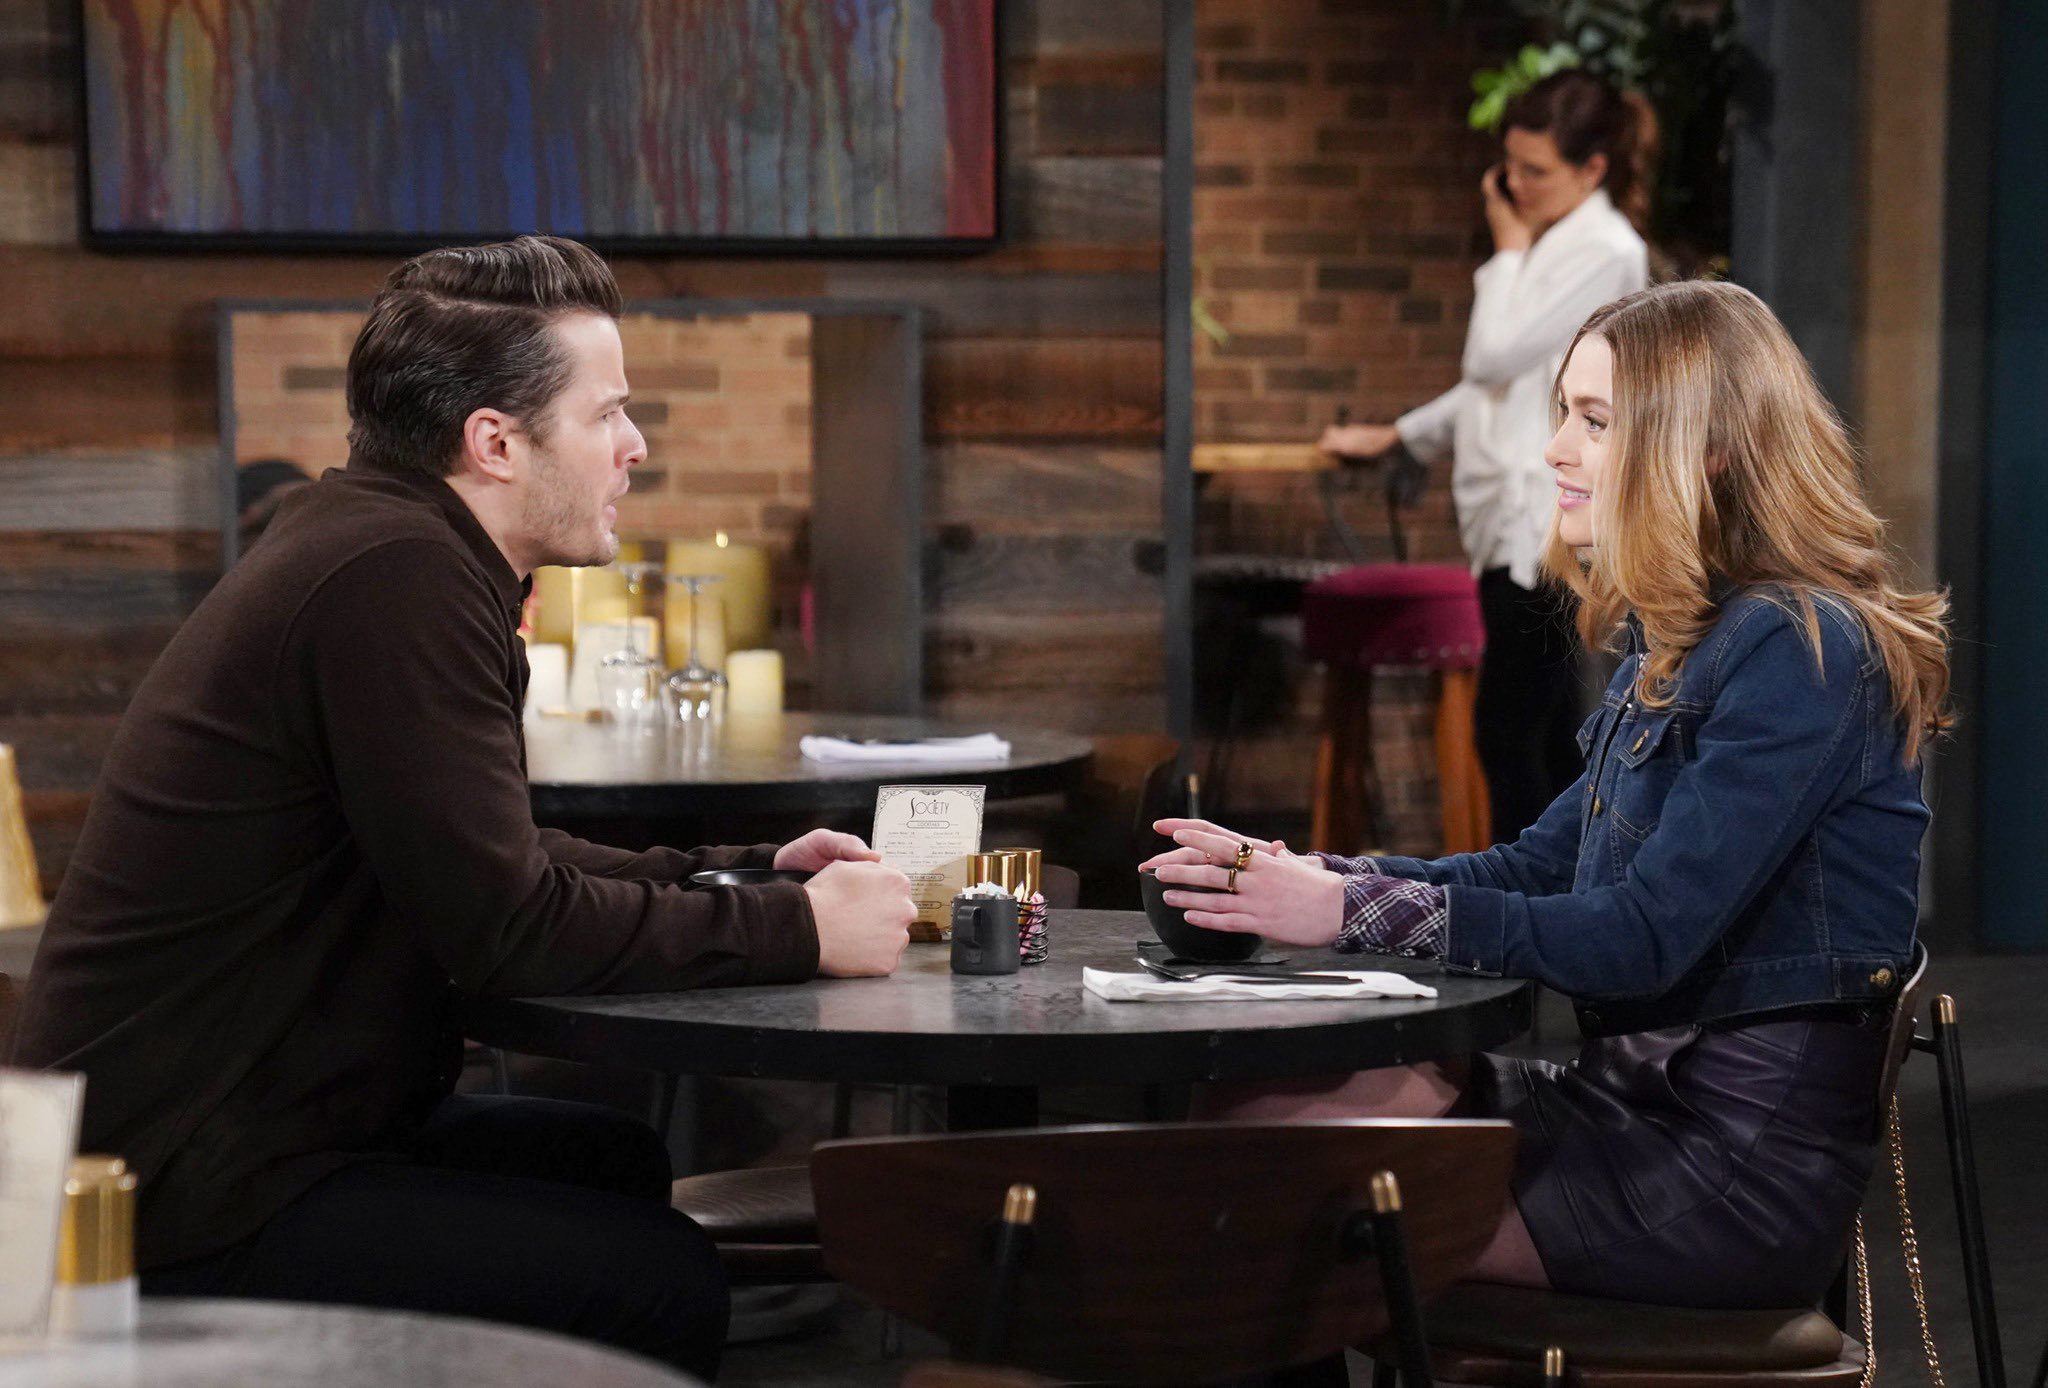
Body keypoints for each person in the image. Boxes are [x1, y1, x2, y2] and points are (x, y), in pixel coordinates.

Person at [9, 236, 917, 1377]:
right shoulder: (398, 576)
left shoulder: (382, 541)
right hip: (170, 1194)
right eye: (607, 414)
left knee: (613, 1162)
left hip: (246, 1139)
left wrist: (745, 872)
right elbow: (508, 928)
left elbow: (494, 856)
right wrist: (800, 929)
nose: (635, 446)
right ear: (495, 441)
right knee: (658, 1275)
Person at [1151, 279, 1950, 1308]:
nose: (1556, 450)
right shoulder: (1691, 635)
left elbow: (1643, 935)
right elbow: (1537, 865)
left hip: (1721, 1167)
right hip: (1631, 1102)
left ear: (1709, 448)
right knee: (1256, 1105)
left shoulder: (1801, 648)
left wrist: (1345, 910)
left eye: (1595, 420)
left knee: (1279, 1180)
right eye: (1565, 413)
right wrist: (1314, 874)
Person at [1322, 70, 1656, 844]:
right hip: (1513, 523)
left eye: (1535, 170)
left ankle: (1533, 896)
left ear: (1593, 169)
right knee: (1539, 730)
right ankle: (1556, 891)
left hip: (1544, 518)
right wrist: (1403, 433)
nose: (1514, 186)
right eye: (1510, 165)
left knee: (1511, 731)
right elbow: (1499, 387)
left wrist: (1505, 252)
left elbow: (1490, 356)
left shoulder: (1604, 250)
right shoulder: (1559, 243)